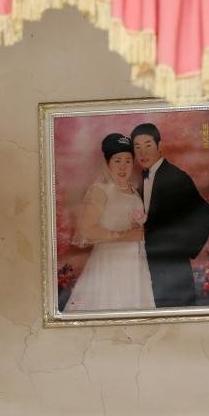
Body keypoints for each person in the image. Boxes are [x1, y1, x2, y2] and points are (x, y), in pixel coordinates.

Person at [64, 133, 155, 311]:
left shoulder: (133, 190)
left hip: (135, 264)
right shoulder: (100, 190)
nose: (123, 167)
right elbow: (87, 229)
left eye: (128, 161)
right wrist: (124, 235)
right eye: (117, 160)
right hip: (110, 263)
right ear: (107, 162)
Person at [131, 123, 209, 307]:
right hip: (150, 270)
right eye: (137, 147)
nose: (142, 152)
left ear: (159, 146)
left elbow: (207, 215)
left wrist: (181, 250)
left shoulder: (176, 177)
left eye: (148, 145)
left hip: (174, 275)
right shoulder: (141, 180)